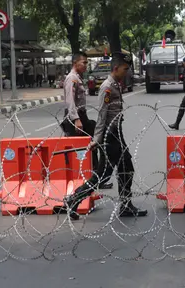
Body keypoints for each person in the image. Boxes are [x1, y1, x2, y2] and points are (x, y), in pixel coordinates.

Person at [64, 52, 148, 221]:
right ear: (116, 68)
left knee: (125, 169)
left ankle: (125, 205)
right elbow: (102, 115)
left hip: (116, 132)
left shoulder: (116, 84)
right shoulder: (107, 87)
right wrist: (97, 139)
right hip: (110, 136)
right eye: (125, 69)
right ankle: (74, 199)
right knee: (104, 174)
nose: (127, 72)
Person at [61, 51, 113, 191]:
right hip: (75, 118)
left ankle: (96, 177)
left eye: (86, 62)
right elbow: (70, 101)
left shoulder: (77, 77)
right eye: (83, 62)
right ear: (75, 63)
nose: (86, 65)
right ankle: (80, 180)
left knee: (95, 143)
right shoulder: (71, 78)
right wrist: (76, 119)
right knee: (78, 150)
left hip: (82, 117)